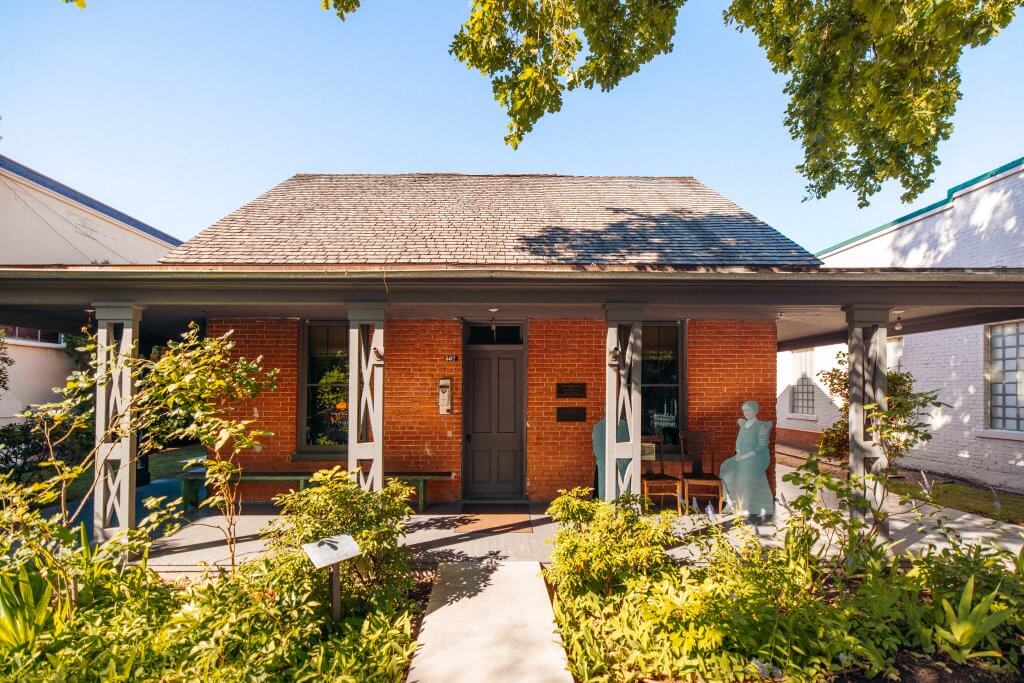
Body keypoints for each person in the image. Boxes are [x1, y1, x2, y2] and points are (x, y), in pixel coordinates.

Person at [719, 400, 774, 520]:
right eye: (744, 410)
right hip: (743, 454)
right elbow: (738, 442)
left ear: (755, 411)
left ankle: (745, 505)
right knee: (726, 466)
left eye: (748, 410)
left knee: (744, 468)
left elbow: (762, 446)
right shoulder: (744, 425)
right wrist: (738, 452)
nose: (746, 413)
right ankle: (731, 501)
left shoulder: (761, 426)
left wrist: (744, 457)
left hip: (758, 457)